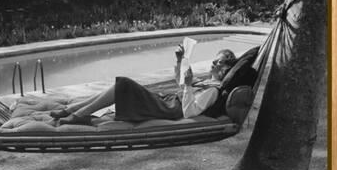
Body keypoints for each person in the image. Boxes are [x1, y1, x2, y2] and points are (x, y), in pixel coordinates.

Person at [51, 45, 237, 126]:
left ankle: (78, 115)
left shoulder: (213, 90)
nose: (213, 63)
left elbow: (189, 112)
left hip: (171, 109)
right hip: (168, 101)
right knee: (121, 85)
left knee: (123, 84)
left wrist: (188, 86)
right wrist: (179, 60)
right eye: (214, 60)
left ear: (225, 69)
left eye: (218, 62)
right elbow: (180, 83)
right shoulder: (208, 82)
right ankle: (71, 110)